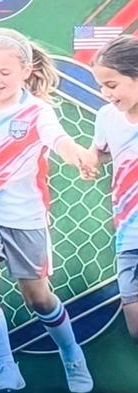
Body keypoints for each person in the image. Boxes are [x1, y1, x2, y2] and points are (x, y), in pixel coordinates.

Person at [0, 28, 95, 393]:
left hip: (25, 217)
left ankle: (72, 352)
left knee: (38, 299)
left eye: (4, 72)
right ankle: (7, 367)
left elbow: (60, 142)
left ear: (25, 71)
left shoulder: (38, 111)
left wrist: (79, 160)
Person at [82, 35, 138, 343]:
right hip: (128, 235)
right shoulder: (106, 117)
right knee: (135, 328)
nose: (105, 94)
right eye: (101, 86)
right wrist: (89, 160)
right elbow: (99, 151)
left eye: (112, 85)